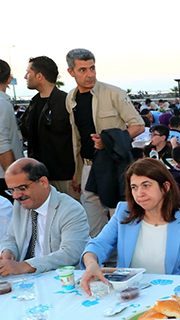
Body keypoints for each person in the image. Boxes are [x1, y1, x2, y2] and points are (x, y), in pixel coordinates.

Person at [79, 159, 180, 296]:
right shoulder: (123, 212)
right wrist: (91, 263)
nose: (139, 193)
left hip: (170, 294)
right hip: (128, 294)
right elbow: (98, 244)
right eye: (134, 187)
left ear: (165, 187)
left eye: (146, 185)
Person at [65, 49, 145, 237]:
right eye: (82, 70)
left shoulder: (114, 93)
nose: (90, 74)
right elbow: (76, 138)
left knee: (118, 218)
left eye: (92, 68)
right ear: (71, 72)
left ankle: (123, 263)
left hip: (113, 166)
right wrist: (76, 173)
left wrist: (109, 141)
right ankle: (100, 261)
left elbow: (138, 125)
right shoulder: (71, 98)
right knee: (93, 226)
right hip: (87, 167)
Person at [0, 159, 89, 276]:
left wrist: (25, 266)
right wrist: (8, 252)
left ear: (43, 182)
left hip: (58, 279)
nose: (16, 196)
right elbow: (11, 238)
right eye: (12, 190)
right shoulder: (20, 204)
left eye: (22, 188)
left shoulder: (71, 209)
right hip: (24, 279)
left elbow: (71, 253)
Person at [20, 56, 75, 198]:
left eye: (28, 72)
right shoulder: (34, 103)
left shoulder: (66, 101)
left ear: (39, 76)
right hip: (39, 176)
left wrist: (78, 173)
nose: (25, 76)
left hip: (65, 177)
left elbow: (78, 137)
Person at [0, 59, 23, 201]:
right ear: (9, 79)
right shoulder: (2, 103)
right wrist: (14, 180)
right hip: (4, 178)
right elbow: (2, 143)